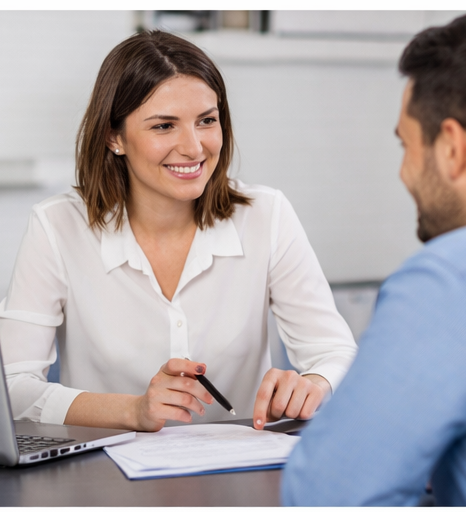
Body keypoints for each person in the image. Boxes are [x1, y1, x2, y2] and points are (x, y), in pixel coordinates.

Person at [0, 31, 356, 432]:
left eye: (206, 121)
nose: (194, 147)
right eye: (164, 126)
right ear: (114, 137)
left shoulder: (266, 215)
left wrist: (312, 384)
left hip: (242, 463)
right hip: (103, 468)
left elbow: (334, 350)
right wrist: (134, 411)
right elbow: (13, 386)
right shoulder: (57, 226)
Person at [281, 11, 466, 507]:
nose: (405, 173)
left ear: (451, 148)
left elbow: (328, 495)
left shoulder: (455, 279)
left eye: (407, 145)